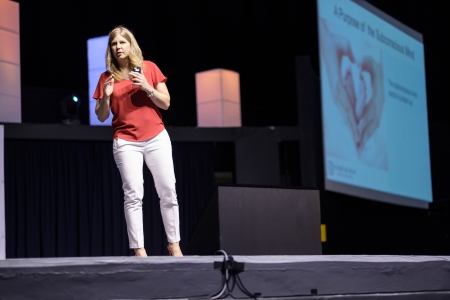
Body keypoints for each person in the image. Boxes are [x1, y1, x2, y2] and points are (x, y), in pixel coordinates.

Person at [93, 26, 183, 257]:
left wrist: (147, 87)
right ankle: (139, 249)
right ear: (110, 49)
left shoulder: (149, 68)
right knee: (133, 195)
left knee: (168, 191)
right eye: (114, 44)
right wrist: (107, 95)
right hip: (125, 141)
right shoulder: (106, 78)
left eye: (122, 42)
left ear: (131, 45)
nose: (118, 47)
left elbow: (166, 103)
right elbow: (102, 116)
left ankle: (174, 244)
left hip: (156, 137)